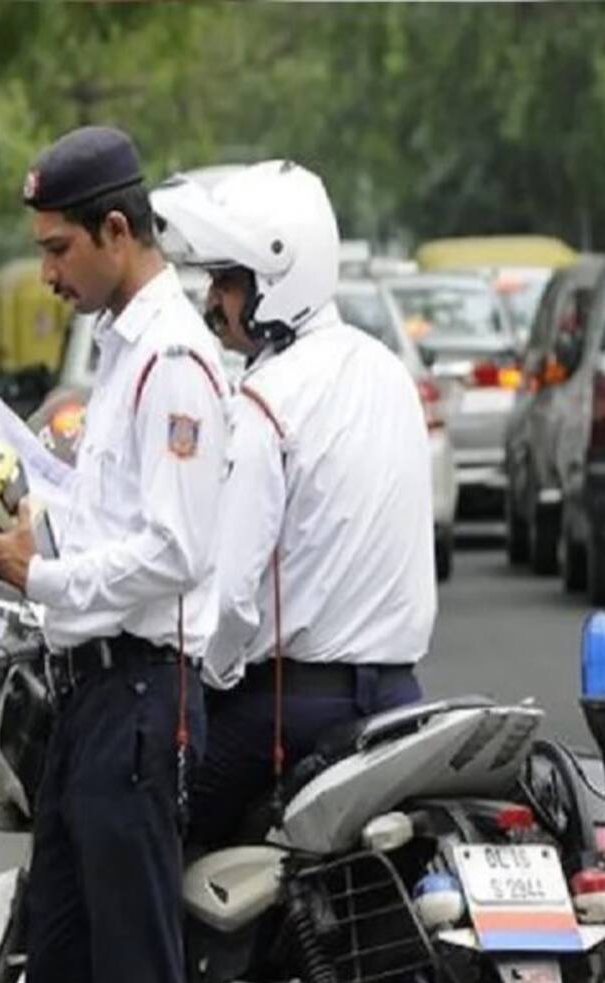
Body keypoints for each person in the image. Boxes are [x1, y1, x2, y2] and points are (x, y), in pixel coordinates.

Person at [0, 125, 228, 983]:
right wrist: (27, 508)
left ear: (116, 232)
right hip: (84, 695)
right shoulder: (119, 353)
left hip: (135, 694)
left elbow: (175, 554)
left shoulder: (175, 360)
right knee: (58, 979)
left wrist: (44, 575)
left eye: (59, 248)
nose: (49, 271)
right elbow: (106, 511)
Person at [153, 161, 437, 855]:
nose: (213, 301)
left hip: (286, 711)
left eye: (227, 281)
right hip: (402, 700)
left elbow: (232, 597)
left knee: (144, 833)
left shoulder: (266, 402)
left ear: (274, 280)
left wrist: (197, 673)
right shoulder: (388, 373)